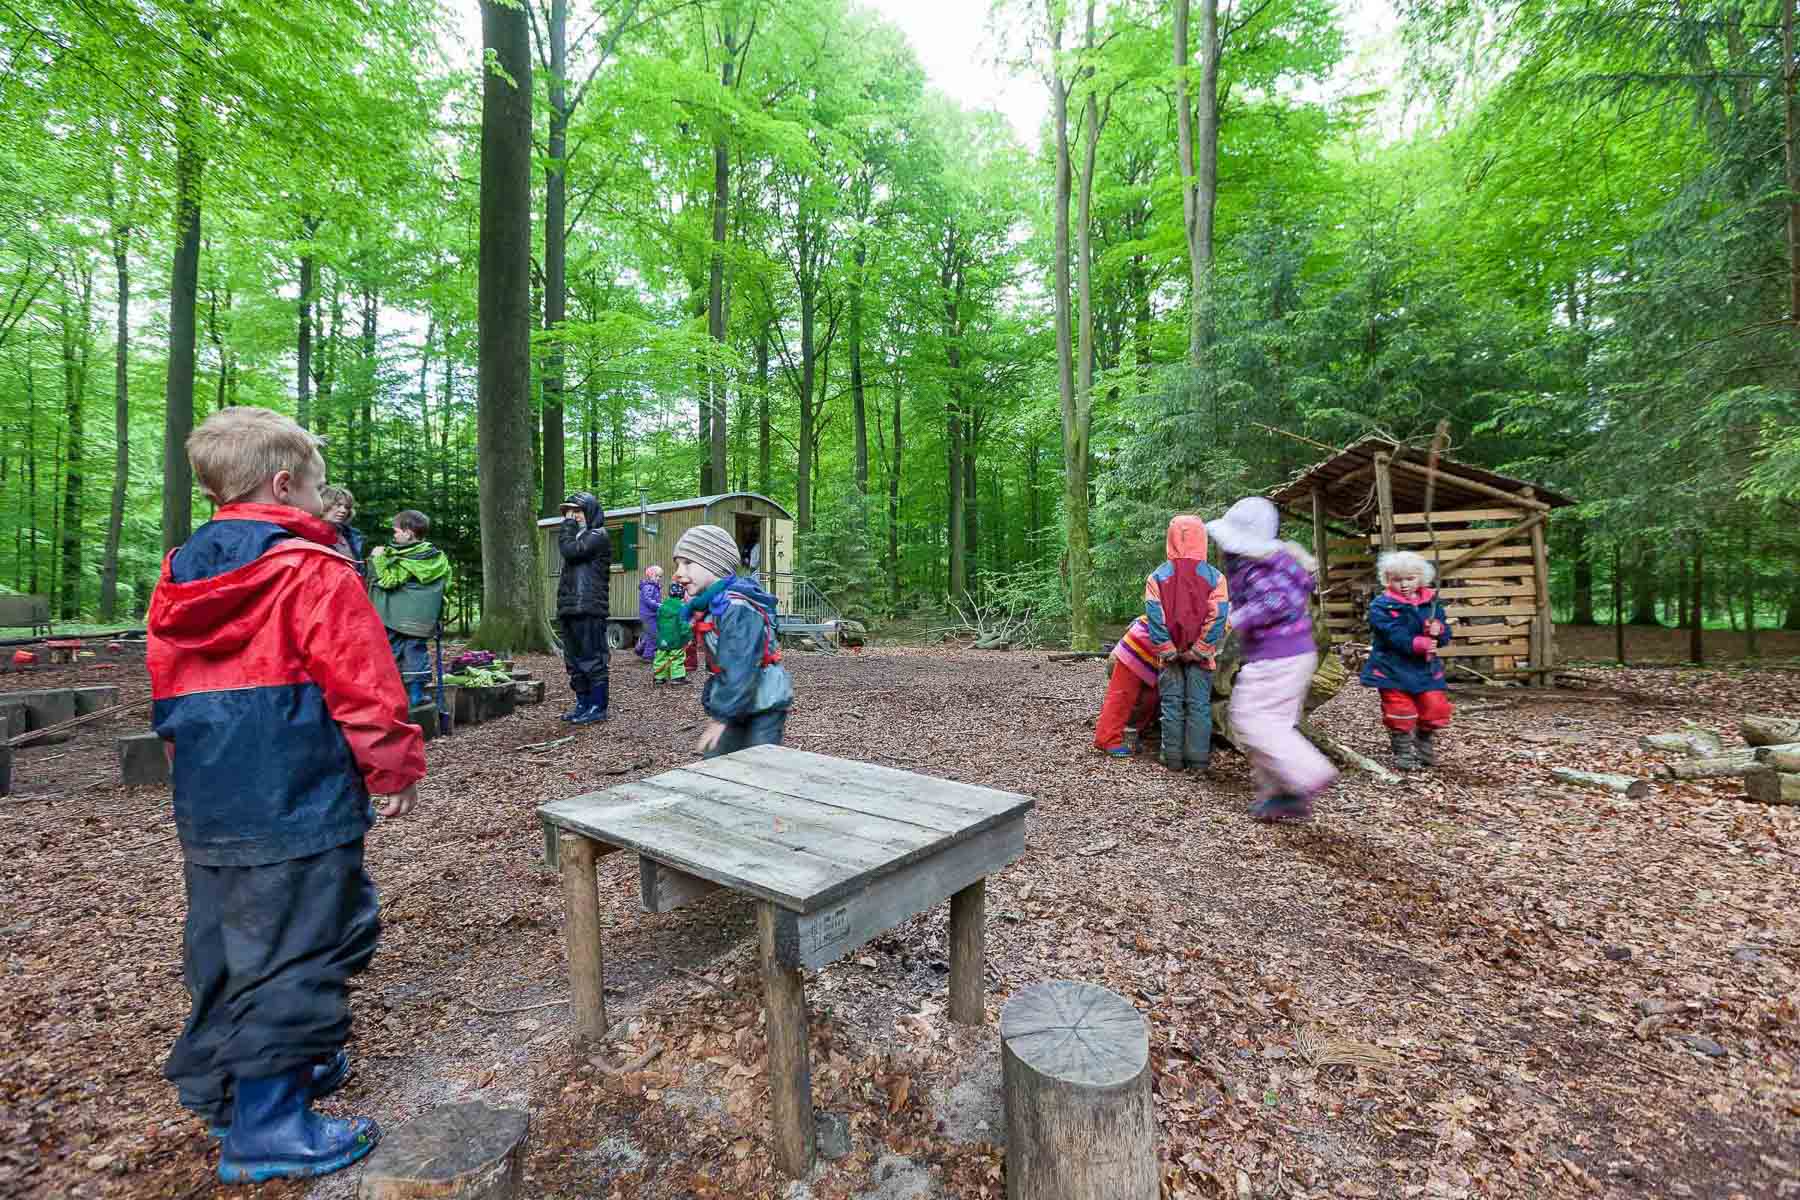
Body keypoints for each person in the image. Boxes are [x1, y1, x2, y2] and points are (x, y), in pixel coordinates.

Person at [146, 406, 425, 1182]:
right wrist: (392, 765)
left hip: (213, 794)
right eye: (316, 484)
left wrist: (186, 765)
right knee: (306, 941)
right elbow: (362, 677)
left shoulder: (180, 574)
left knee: (228, 941)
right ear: (282, 485)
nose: (321, 498)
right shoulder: (312, 570)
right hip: (296, 788)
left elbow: (168, 687)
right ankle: (269, 1126)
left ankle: (246, 1082)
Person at [1208, 496, 1338, 821]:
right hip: (1291, 654)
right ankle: (1282, 793)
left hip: (1277, 657)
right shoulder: (1272, 562)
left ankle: (1307, 774)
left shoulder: (1258, 566)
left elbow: (1278, 600)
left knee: (1249, 719)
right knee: (1274, 725)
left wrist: (1237, 617)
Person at [673, 524, 792, 756]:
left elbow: (741, 663)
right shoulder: (708, 605)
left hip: (764, 701)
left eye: (687, 563)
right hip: (737, 697)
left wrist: (721, 717)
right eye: (677, 564)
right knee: (719, 760)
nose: (678, 572)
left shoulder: (736, 607)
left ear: (714, 563)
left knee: (760, 764)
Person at [1144, 514, 1230, 772]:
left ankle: (1171, 758)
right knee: (1199, 706)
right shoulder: (1215, 577)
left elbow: (1154, 616)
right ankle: (1198, 761)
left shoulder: (1157, 577)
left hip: (1170, 655)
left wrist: (1167, 649)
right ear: (1202, 538)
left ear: (1170, 538)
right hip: (1200, 658)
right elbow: (1219, 616)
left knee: (1171, 705)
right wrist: (1200, 650)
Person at [1361, 549, 1454, 771]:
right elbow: (1392, 634)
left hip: (1425, 668)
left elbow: (1444, 635)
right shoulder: (1381, 606)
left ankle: (1423, 742)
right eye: (1396, 580)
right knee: (1399, 710)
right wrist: (1418, 643)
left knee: (1435, 707)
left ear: (1421, 578)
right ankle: (1403, 752)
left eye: (1410, 579)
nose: (1403, 584)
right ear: (1387, 580)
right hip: (1391, 668)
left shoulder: (1432, 603)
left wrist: (1438, 631)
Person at [368, 510, 451, 706]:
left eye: (396, 531)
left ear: (408, 533)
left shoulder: (406, 560)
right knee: (417, 651)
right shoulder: (437, 557)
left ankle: (394, 695)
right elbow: (445, 584)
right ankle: (416, 694)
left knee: (393, 651)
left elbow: (388, 582)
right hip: (422, 619)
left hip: (396, 618)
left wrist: (378, 559)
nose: (394, 535)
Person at [557, 492, 612, 724]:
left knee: (592, 659)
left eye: (577, 511)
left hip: (589, 607)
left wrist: (567, 525)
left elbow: (572, 551)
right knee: (574, 661)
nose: (573, 517)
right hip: (570, 608)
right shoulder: (578, 536)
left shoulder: (597, 536)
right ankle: (583, 704)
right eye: (569, 512)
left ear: (589, 511)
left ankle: (598, 707)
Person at [1092, 615, 1162, 759]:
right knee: (1121, 695)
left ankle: (1134, 733)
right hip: (1138, 646)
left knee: (1151, 697)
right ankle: (1107, 740)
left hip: (1157, 654)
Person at [320, 486, 367, 578]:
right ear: (324, 504)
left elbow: (359, 569)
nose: (343, 510)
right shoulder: (308, 535)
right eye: (338, 505)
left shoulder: (352, 535)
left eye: (347, 507)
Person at [653, 578, 692, 684]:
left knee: (661, 656)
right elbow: (683, 624)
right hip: (676, 638)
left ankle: (659, 677)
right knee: (677, 656)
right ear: (682, 595)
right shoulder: (682, 607)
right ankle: (677, 677)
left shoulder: (662, 606)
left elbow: (657, 621)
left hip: (662, 637)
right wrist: (688, 636)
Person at [635, 565, 662, 662]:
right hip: (649, 615)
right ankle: (648, 656)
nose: (658, 578)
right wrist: (659, 605)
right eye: (656, 576)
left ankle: (639, 649)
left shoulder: (654, 587)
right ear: (650, 576)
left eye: (660, 576)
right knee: (653, 635)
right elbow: (648, 600)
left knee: (649, 634)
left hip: (650, 615)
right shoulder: (649, 587)